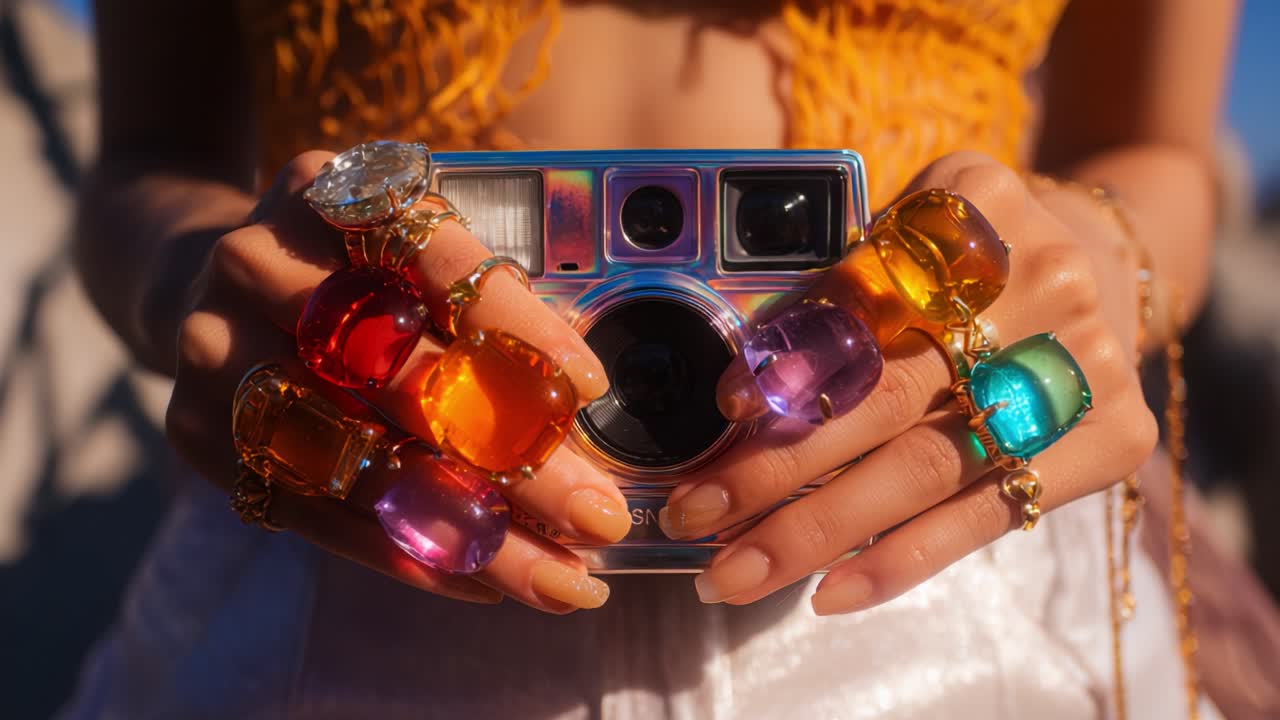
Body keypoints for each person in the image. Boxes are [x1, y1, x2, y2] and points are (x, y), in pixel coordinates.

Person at [65, 1, 1240, 717]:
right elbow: (149, 155)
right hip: (363, 521)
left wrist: (1085, 262)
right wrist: (212, 290)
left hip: (939, 540)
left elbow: (1151, 148)